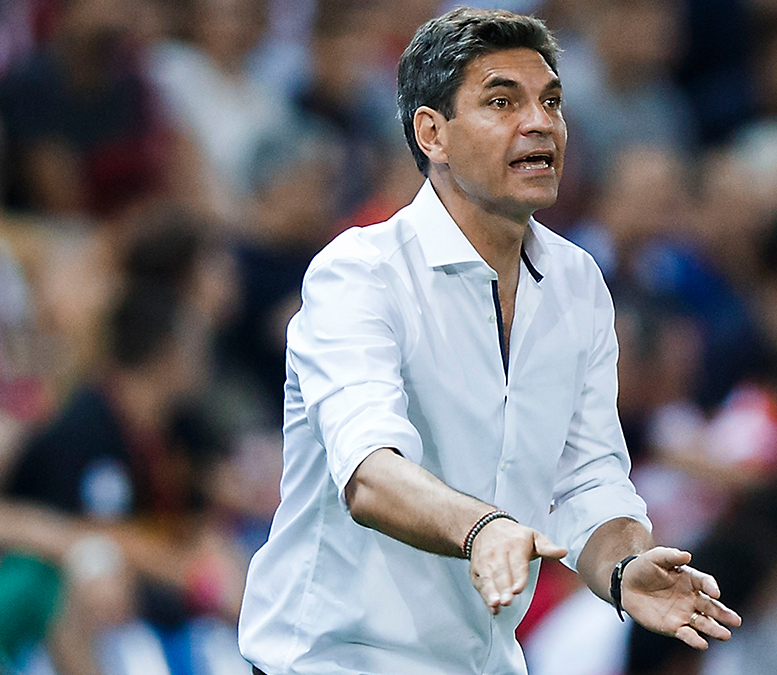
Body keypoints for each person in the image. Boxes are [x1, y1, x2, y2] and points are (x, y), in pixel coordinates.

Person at [237, 8, 741, 675]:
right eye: (503, 101)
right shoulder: (358, 272)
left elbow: (589, 479)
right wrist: (484, 528)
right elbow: (370, 474)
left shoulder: (579, 282)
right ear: (433, 134)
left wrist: (623, 567)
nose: (540, 122)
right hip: (329, 662)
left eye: (551, 102)